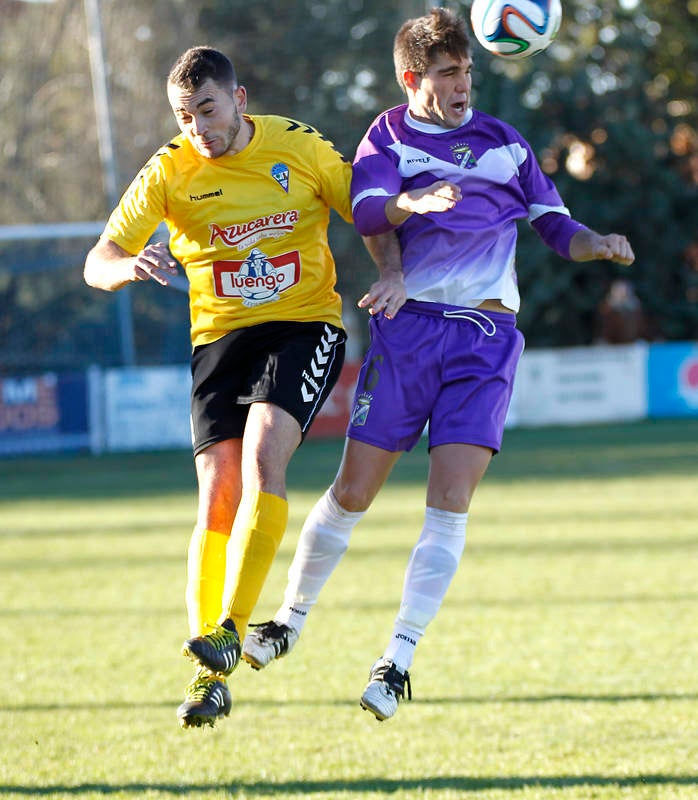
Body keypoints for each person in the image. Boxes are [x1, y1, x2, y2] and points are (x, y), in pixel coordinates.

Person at [239, 7, 635, 721]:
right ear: (412, 77)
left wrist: (595, 242)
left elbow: (553, 225)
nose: (463, 85)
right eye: (450, 73)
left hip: (486, 339)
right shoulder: (386, 137)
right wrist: (410, 203)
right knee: (354, 492)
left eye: (469, 71)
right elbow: (366, 212)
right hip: (410, 331)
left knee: (450, 500)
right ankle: (289, 620)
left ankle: (397, 660)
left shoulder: (505, 145)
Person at [83, 46, 353, 729]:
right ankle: (212, 676)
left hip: (303, 323)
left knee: (265, 458)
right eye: (183, 115)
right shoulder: (170, 170)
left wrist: (406, 258)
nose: (198, 126)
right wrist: (126, 268)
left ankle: (229, 627)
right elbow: (99, 258)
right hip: (220, 340)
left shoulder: (298, 146)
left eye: (207, 108)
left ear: (239, 96)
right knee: (218, 491)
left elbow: (370, 209)